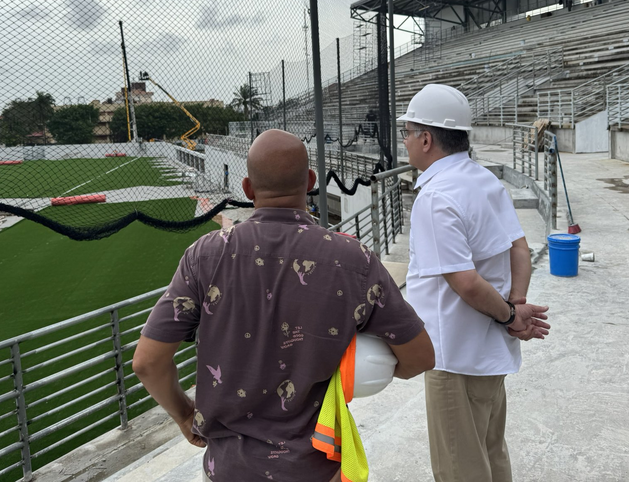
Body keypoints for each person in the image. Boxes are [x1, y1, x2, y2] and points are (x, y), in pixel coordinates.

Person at [133, 129, 434, 482]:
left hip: (228, 470)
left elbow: (147, 362)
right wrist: (351, 375)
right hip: (318, 468)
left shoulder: (205, 255)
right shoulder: (354, 261)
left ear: (247, 189)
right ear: (310, 181)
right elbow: (420, 358)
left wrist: (186, 415)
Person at [397, 84, 550, 482]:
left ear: (427, 139)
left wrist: (510, 315)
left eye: (408, 133)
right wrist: (515, 303)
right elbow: (519, 246)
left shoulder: (436, 196)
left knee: (459, 468)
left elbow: (464, 282)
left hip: (455, 357)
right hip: (486, 353)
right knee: (490, 454)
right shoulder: (483, 180)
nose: (406, 141)